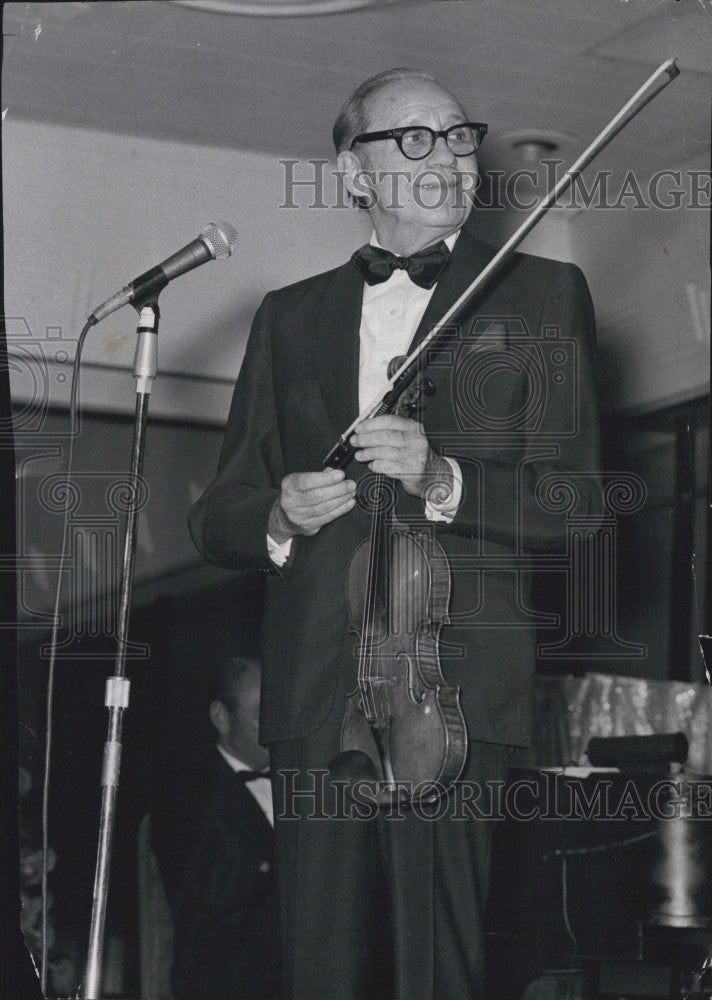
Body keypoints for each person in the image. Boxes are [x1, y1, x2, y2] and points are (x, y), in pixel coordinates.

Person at [188, 68, 601, 1000]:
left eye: (459, 136)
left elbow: (578, 503)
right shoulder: (288, 316)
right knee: (318, 968)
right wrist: (279, 516)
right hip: (316, 686)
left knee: (436, 970)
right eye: (415, 139)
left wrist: (447, 476)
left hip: (450, 694)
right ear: (354, 171)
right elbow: (216, 515)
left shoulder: (539, 293)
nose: (450, 156)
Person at [151, 657, 280, 1000]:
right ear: (221, 717)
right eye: (260, 714)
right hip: (227, 983)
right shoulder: (186, 796)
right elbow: (217, 894)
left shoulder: (302, 783)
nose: (275, 727)